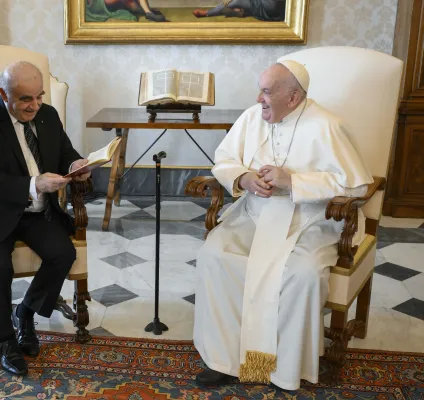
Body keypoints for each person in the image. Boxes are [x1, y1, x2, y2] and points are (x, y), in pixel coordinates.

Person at [193, 60, 373, 391]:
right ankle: (224, 360)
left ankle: (283, 368)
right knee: (214, 256)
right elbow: (225, 160)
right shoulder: (251, 118)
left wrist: (295, 182)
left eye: (265, 92)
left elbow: (357, 186)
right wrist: (244, 178)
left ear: (292, 98)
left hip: (310, 219)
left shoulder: (327, 126)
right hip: (254, 214)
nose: (258, 99)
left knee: (302, 273)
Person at [0, 61, 91, 376]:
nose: (35, 105)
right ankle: (5, 342)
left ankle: (26, 312)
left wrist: (78, 166)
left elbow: (64, 153)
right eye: (25, 99)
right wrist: (34, 184)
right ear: (3, 94)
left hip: (33, 211)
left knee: (63, 253)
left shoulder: (48, 115)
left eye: (39, 96)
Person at [193, 0, 286, 21]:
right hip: (277, 10)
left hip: (270, 5)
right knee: (239, 9)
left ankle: (206, 13)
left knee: (234, 2)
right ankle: (238, 12)